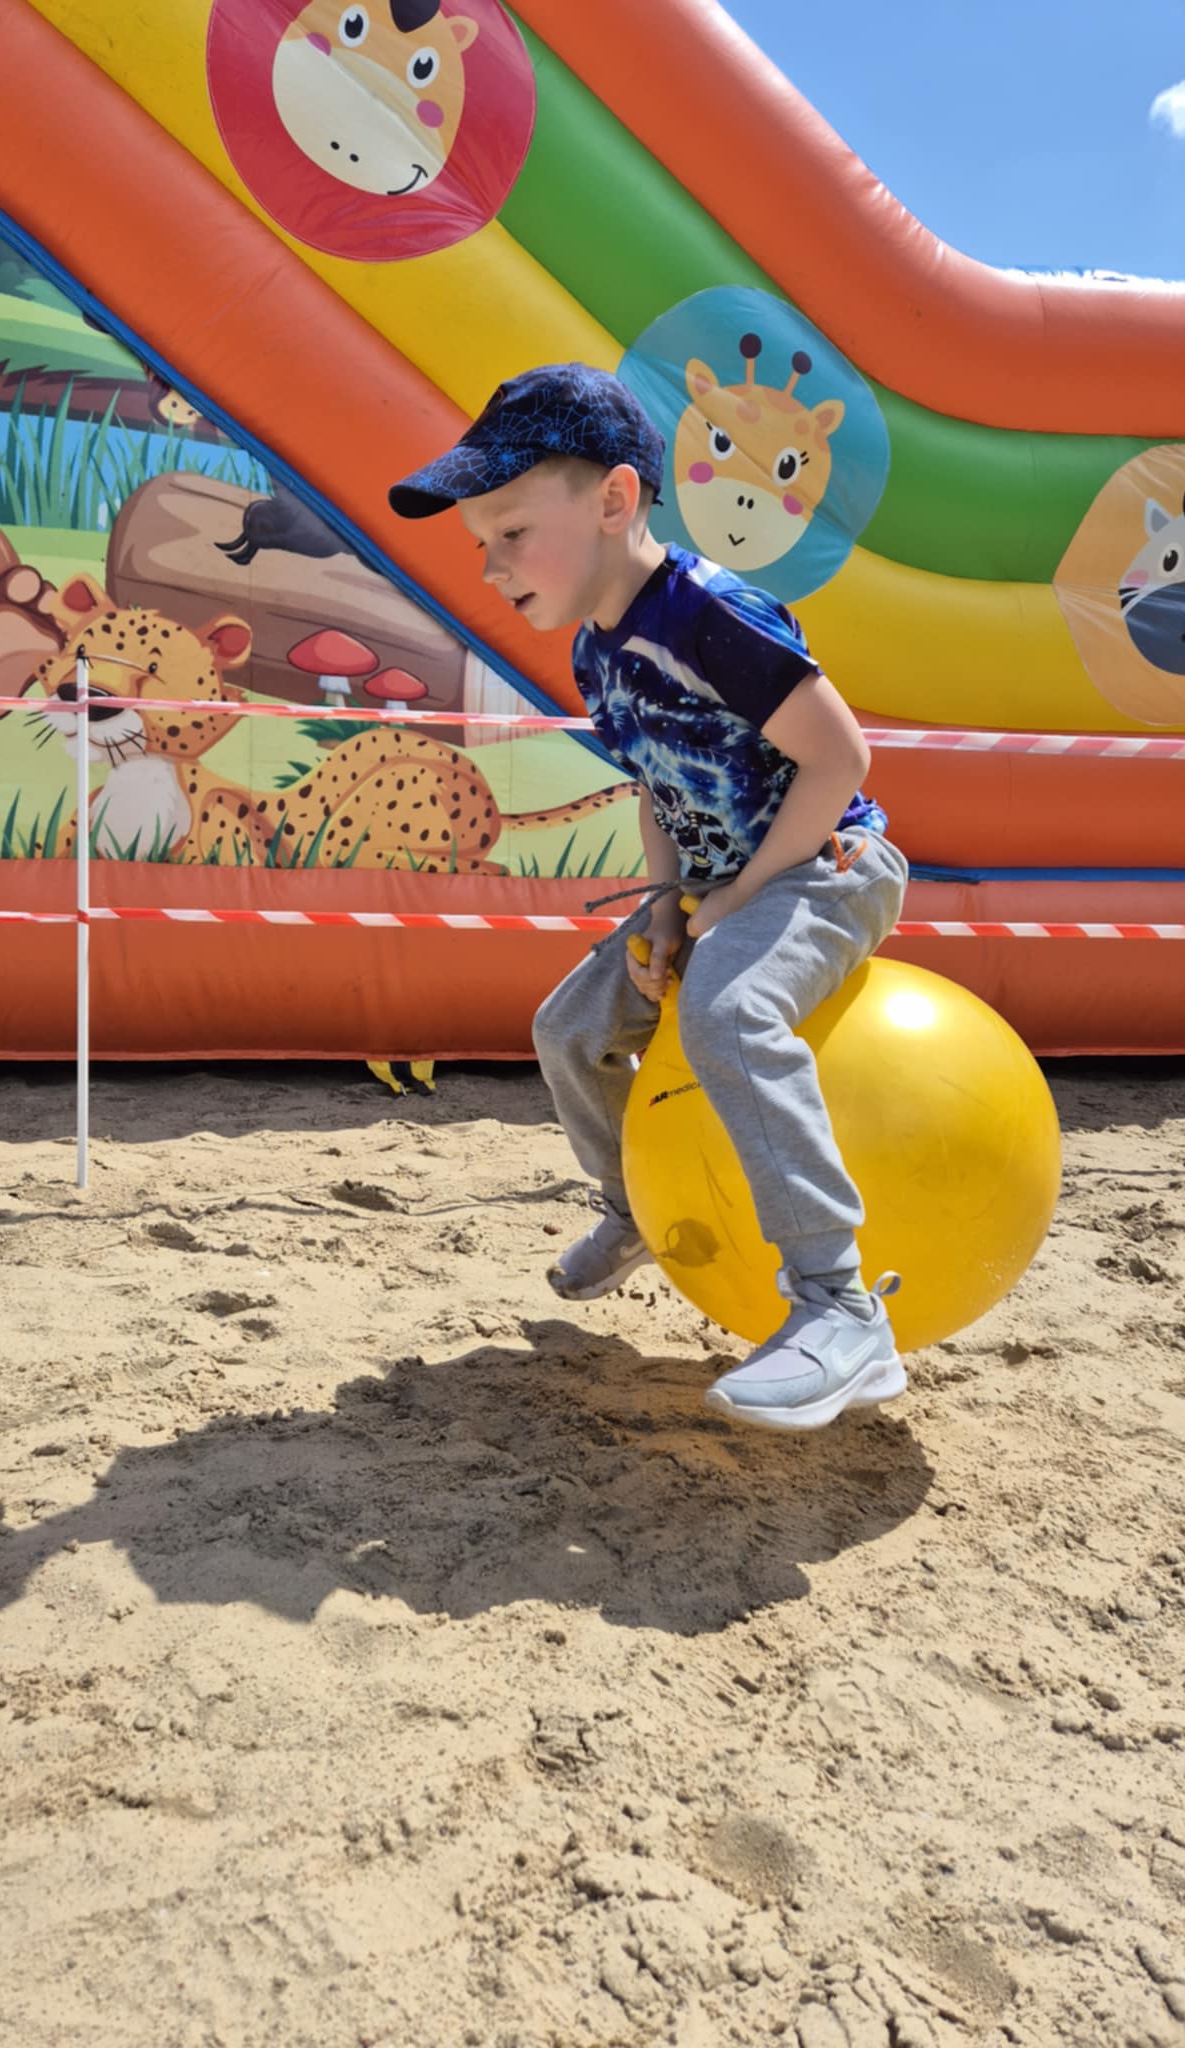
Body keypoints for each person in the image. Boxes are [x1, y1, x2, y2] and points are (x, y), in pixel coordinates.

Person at [389, 362, 910, 1431]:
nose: (490, 566)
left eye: (511, 532)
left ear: (615, 499)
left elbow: (840, 760)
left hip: (827, 868)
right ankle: (637, 1205)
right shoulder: (597, 648)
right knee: (568, 1027)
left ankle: (840, 1306)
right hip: (717, 886)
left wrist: (735, 902)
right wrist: (669, 905)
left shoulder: (710, 613)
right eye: (481, 543)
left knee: (727, 1011)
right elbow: (658, 786)